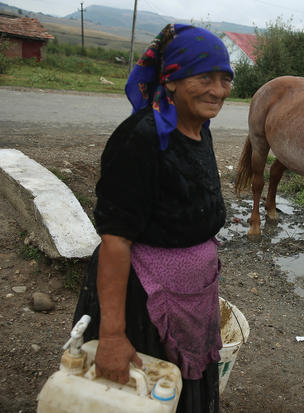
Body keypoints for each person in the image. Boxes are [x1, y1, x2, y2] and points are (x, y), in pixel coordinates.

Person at [72, 23, 233, 413]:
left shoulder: (199, 128)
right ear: (172, 80)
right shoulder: (140, 138)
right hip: (141, 304)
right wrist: (112, 336)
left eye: (225, 78)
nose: (218, 90)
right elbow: (115, 239)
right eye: (204, 77)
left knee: (174, 395)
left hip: (190, 298)